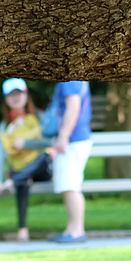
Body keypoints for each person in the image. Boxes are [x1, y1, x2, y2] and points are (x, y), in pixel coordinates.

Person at [0, 78, 51, 242]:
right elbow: (0, 153)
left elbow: (53, 141)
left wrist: (27, 143)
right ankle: (22, 230)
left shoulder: (39, 117)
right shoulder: (5, 126)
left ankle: (12, 181)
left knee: (44, 157)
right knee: (22, 182)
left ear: (26, 95)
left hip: (43, 168)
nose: (15, 97)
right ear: (5, 99)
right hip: (22, 169)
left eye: (18, 93)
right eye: (11, 95)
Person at [48, 79, 93, 243]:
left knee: (71, 186)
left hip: (73, 139)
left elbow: (73, 106)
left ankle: (76, 231)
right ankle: (71, 229)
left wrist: (64, 136)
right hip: (75, 138)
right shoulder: (77, 77)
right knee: (69, 186)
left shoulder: (71, 77)